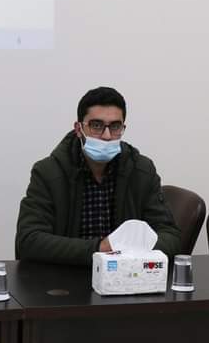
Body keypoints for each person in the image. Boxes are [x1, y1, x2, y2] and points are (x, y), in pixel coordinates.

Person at [15, 87, 181, 265]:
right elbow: (28, 241)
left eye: (115, 126)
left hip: (124, 274)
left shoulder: (141, 170)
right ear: (79, 129)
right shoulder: (48, 172)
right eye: (96, 126)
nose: (107, 136)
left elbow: (170, 236)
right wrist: (100, 248)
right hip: (67, 274)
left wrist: (129, 252)